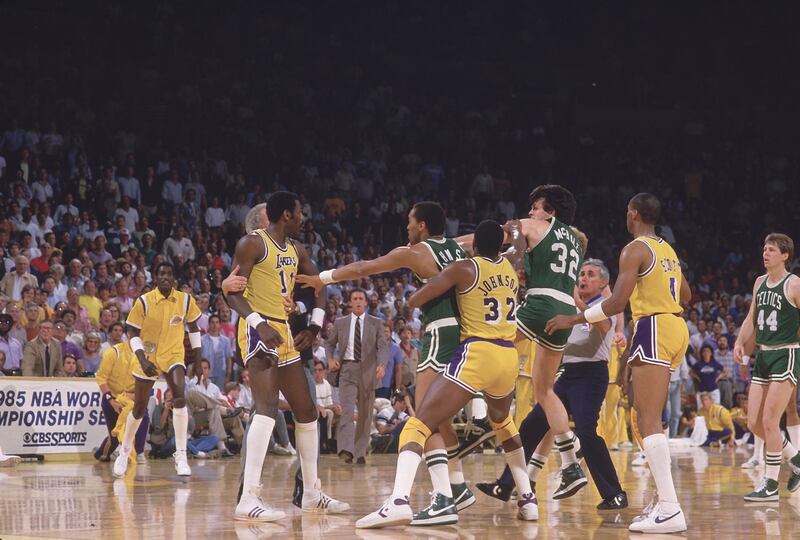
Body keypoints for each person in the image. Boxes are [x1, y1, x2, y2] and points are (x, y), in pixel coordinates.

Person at [296, 201, 477, 515]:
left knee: (424, 414)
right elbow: (488, 237)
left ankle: (442, 497)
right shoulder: (457, 247)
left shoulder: (416, 252)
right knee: (441, 416)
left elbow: (366, 267)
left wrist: (323, 278)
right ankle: (458, 488)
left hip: (440, 331)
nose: (406, 226)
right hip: (466, 334)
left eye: (410, 221)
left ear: (421, 225)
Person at [356, 220, 537, 528]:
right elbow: (519, 248)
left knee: (419, 424)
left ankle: (398, 501)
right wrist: (517, 230)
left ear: (475, 246)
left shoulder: (463, 268)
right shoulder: (511, 265)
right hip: (508, 356)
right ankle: (528, 499)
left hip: (478, 352)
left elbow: (416, 299)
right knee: (504, 423)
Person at [545, 193, 691, 533]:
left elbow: (617, 302)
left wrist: (575, 317)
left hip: (653, 325)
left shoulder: (635, 248)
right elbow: (686, 295)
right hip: (674, 328)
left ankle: (670, 507)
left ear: (633, 213)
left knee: (647, 418)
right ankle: (662, 500)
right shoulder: (668, 250)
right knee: (644, 416)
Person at [225, 191, 349, 521]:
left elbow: (320, 284)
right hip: (258, 329)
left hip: (285, 333)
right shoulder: (252, 244)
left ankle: (311, 493)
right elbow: (230, 293)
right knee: (265, 409)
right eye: (300, 213)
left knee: (307, 411)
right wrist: (257, 323)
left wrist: (314, 324)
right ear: (285, 216)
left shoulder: (297, 250)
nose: (304, 218)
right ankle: (248, 498)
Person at [477, 259, 628, 510]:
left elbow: (602, 325)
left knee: (587, 432)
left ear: (603, 283)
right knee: (530, 426)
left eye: (590, 275)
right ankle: (506, 484)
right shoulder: (572, 305)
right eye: (581, 274)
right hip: (568, 375)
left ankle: (615, 493)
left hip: (591, 375)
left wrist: (573, 310)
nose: (583, 278)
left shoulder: (604, 305)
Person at [470, 185, 586, 498]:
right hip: (565, 309)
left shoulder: (534, 225)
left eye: (536, 207)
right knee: (544, 391)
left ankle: (479, 416)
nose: (531, 212)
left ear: (550, 212)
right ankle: (571, 461)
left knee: (485, 341)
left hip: (540, 304)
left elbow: (490, 238)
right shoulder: (576, 241)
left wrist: (450, 247)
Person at [112, 262, 202, 478]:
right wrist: (142, 359)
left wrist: (198, 360)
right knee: (139, 409)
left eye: (170, 274)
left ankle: (181, 455)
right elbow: (132, 331)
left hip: (173, 354)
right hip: (147, 356)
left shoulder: (185, 299)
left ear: (174, 278)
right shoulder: (144, 301)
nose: (166, 277)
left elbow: (194, 328)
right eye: (161, 273)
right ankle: (124, 452)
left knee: (179, 396)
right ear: (155, 277)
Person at [733, 233, 800, 501]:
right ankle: (795, 457)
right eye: (764, 248)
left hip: (786, 354)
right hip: (763, 354)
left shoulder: (794, 284)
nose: (766, 253)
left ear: (784, 255)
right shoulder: (760, 283)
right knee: (754, 423)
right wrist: (739, 341)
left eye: (771, 249)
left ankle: (770, 484)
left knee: (771, 421)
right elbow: (752, 317)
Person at [324, 287, 387, 464]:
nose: (358, 301)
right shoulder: (340, 323)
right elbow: (329, 344)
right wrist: (330, 359)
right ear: (350, 302)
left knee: (366, 415)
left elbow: (382, 346)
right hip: (347, 370)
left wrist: (381, 364)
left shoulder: (376, 322)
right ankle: (346, 449)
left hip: (369, 371)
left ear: (366, 302)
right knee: (346, 411)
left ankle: (360, 453)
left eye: (361, 298)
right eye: (355, 298)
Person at [95, 340, 150, 462]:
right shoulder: (113, 352)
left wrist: (133, 396)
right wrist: (111, 401)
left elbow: (148, 384)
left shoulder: (146, 355)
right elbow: (101, 378)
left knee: (143, 416)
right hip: (112, 397)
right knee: (115, 437)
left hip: (133, 397)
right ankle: (102, 453)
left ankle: (139, 452)